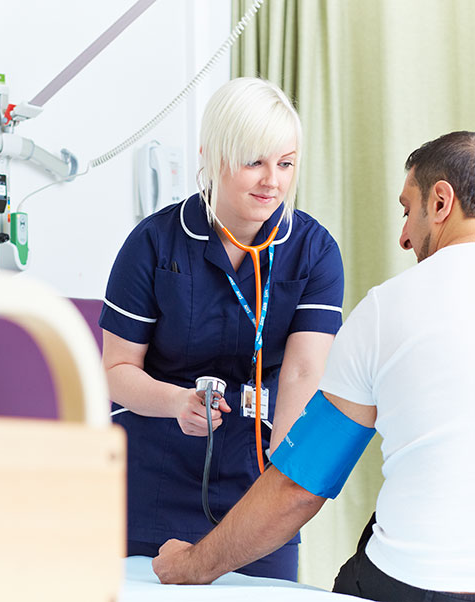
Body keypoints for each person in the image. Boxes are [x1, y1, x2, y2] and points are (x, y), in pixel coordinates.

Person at [152, 131, 475, 601]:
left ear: (441, 202)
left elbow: (300, 486)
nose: (405, 237)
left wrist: (194, 565)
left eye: (408, 211)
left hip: (418, 581)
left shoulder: (391, 309)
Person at [99, 77, 344, 580]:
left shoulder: (315, 251)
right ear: (213, 157)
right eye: (254, 161)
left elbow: (303, 369)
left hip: (257, 490)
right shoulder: (154, 244)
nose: (272, 181)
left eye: (285, 163)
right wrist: (176, 403)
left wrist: (285, 466)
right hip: (153, 480)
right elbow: (117, 369)